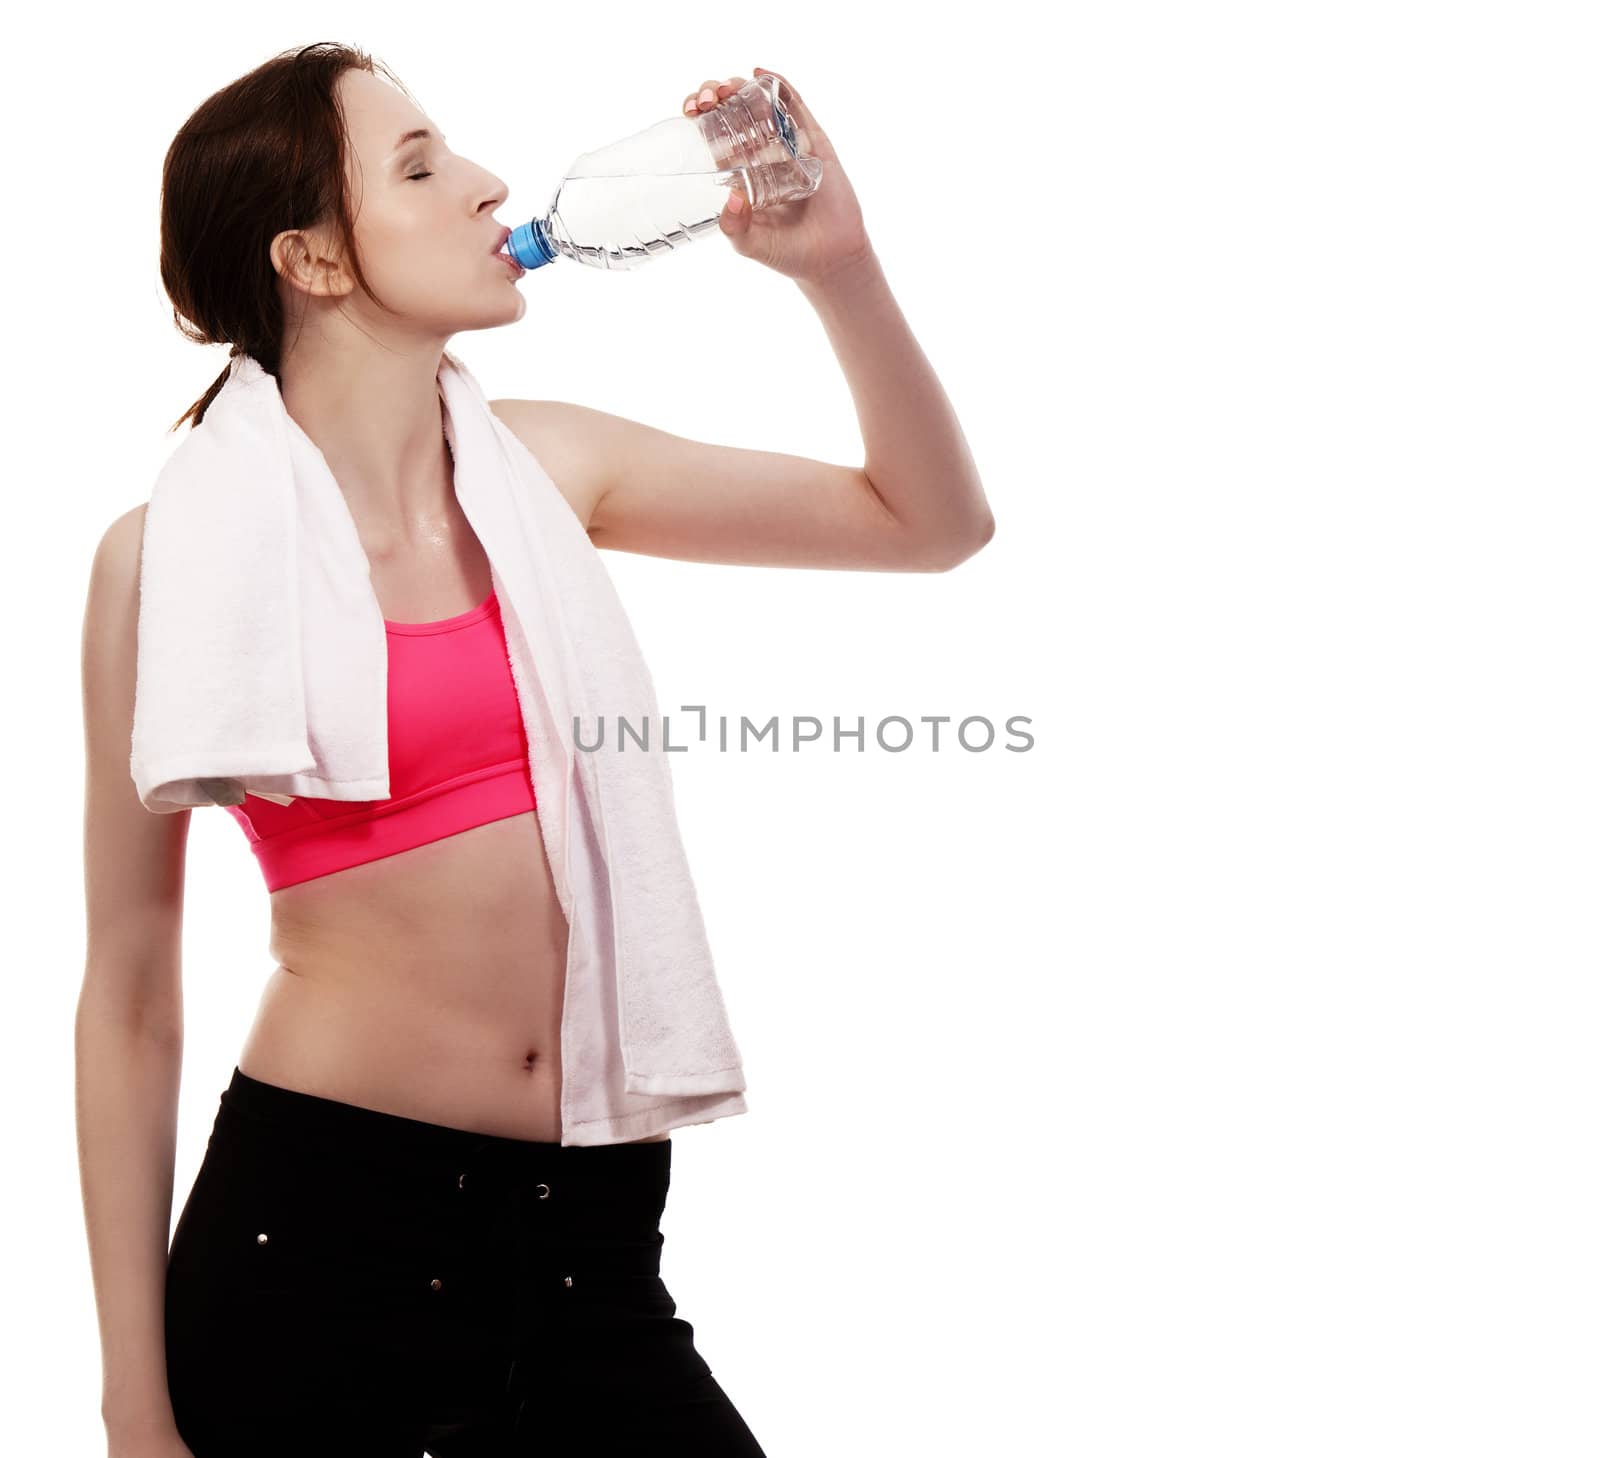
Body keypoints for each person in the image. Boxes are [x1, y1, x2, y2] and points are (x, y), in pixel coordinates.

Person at [77, 41, 994, 1458]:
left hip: (588, 1238)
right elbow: (132, 992)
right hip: (322, 1242)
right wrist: (134, 1404)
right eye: (422, 166)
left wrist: (838, 271)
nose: (489, 186)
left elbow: (929, 524)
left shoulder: (551, 471)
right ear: (311, 260)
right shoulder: (168, 565)